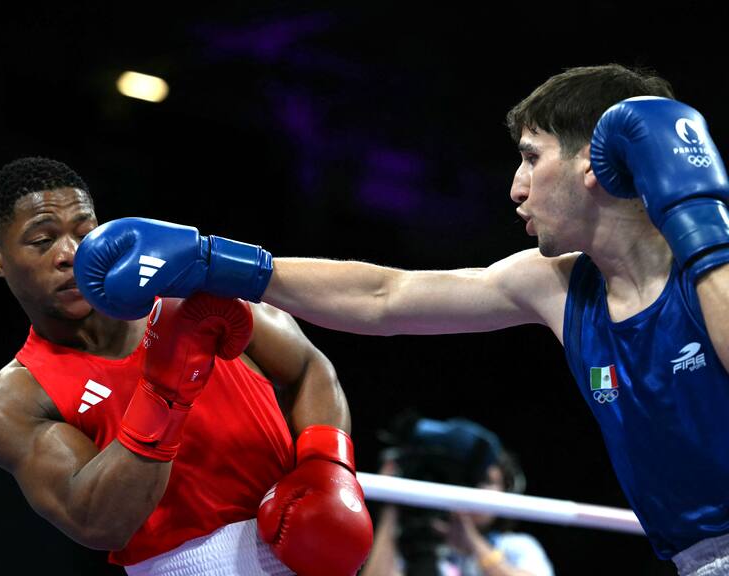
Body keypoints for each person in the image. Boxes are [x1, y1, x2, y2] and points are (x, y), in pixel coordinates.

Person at [70, 63, 729, 575]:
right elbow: (385, 296)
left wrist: (703, 225)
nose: (516, 187)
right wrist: (218, 262)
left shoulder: (714, 264)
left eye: (531, 156)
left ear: (597, 159)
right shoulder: (557, 284)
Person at [0, 157, 373, 576]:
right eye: (42, 240)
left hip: (302, 546)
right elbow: (97, 521)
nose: (69, 254)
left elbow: (309, 366)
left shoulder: (194, 295)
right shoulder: (15, 400)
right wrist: (164, 393)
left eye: (83, 232)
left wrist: (326, 467)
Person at [360, 416, 554, 576]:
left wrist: (474, 546)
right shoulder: (408, 547)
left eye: (486, 481)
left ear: (507, 490)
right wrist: (392, 508)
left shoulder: (517, 547)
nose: (472, 489)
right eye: (470, 481)